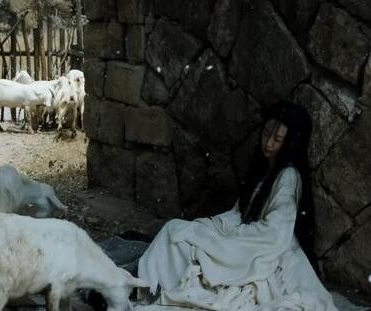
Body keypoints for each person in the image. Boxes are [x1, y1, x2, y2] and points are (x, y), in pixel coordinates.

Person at [137, 103, 338, 310]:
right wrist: (216, 227)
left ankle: (167, 285)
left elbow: (274, 233)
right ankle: (154, 287)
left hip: (264, 247)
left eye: (277, 140)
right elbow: (239, 212)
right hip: (246, 237)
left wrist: (228, 237)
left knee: (187, 241)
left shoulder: (288, 177)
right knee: (175, 230)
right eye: (266, 134)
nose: (268, 143)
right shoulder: (264, 167)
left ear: (289, 143)